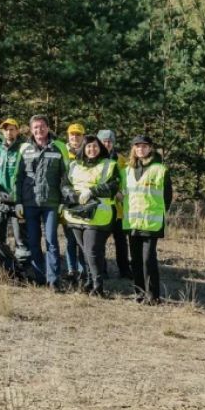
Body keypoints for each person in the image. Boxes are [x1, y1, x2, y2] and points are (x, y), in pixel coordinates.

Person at [61, 134, 119, 296]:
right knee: (85, 250)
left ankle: (98, 286)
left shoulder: (109, 165)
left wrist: (92, 191)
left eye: (95, 146)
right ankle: (88, 282)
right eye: (88, 146)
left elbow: (113, 186)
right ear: (83, 148)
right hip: (76, 213)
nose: (91, 149)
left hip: (98, 215)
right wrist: (74, 196)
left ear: (100, 148)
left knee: (92, 250)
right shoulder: (73, 165)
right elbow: (64, 185)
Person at [16, 114, 67, 290]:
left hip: (51, 203)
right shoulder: (24, 149)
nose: (39, 130)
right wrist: (18, 201)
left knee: (52, 240)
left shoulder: (58, 148)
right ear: (31, 130)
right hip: (30, 203)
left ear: (48, 127)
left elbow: (64, 176)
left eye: (42, 126)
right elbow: (19, 177)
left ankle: (53, 280)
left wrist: (63, 200)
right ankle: (39, 276)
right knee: (34, 242)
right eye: (35, 127)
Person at [122, 135, 171, 304]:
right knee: (135, 261)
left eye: (144, 146)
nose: (140, 149)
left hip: (151, 222)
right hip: (133, 222)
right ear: (133, 149)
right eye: (137, 146)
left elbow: (167, 197)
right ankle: (140, 293)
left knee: (148, 260)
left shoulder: (160, 169)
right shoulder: (127, 170)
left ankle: (153, 296)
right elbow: (123, 193)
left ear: (150, 148)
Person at [0, 118, 29, 265]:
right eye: (6, 129)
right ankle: (1, 264)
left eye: (12, 129)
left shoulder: (24, 149)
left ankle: (22, 267)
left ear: (17, 131)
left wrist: (19, 196)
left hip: (19, 200)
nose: (9, 132)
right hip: (0, 199)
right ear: (2, 131)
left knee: (21, 237)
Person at [97, 128, 131, 279]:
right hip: (101, 208)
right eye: (104, 141)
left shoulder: (121, 159)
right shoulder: (94, 158)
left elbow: (128, 179)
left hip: (118, 208)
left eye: (110, 141)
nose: (107, 144)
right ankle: (102, 271)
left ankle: (124, 270)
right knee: (100, 241)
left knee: (121, 241)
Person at [60, 123, 88, 287]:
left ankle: (84, 270)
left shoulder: (88, 152)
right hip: (66, 201)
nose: (75, 138)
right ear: (68, 136)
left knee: (83, 239)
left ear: (83, 136)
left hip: (84, 202)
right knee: (70, 238)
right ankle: (72, 270)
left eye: (78, 135)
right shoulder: (62, 152)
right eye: (72, 135)